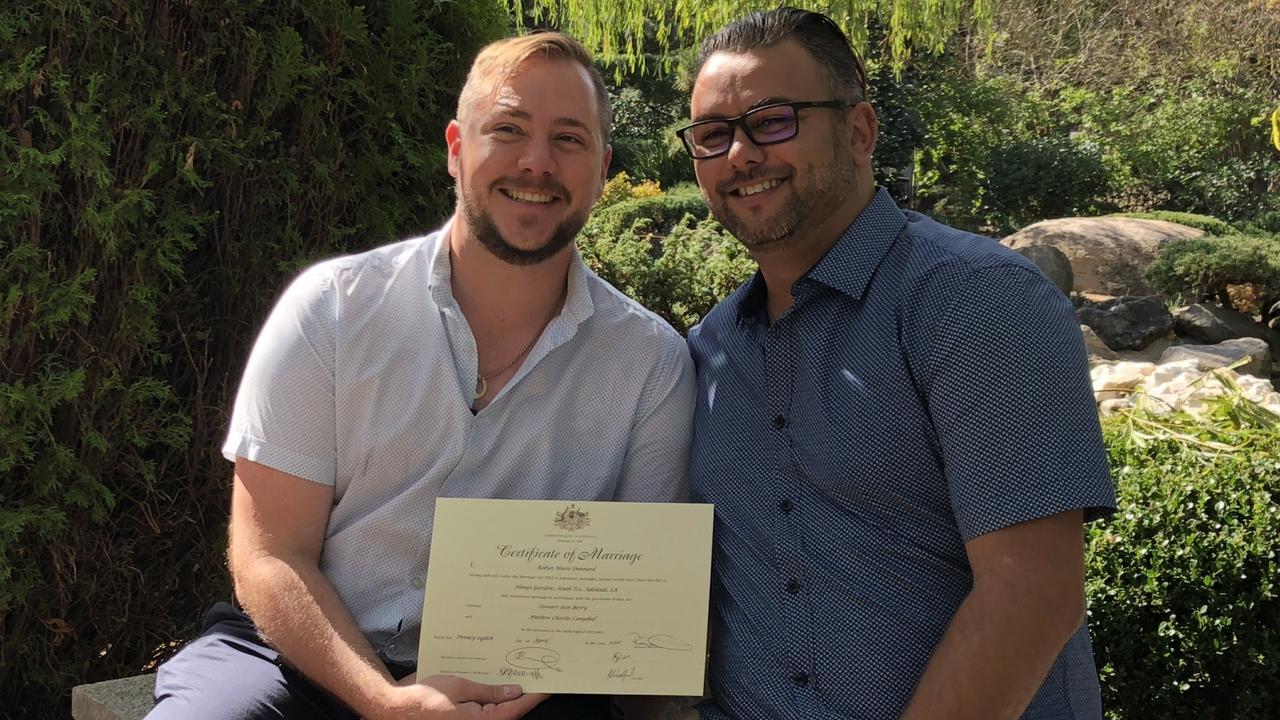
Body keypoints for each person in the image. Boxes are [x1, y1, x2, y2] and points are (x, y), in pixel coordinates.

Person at [147, 32, 695, 720]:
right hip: (302, 661)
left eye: (569, 139)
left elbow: (627, 598)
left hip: (523, 687)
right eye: (508, 129)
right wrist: (382, 701)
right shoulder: (334, 310)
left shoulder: (651, 366)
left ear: (602, 167)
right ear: (456, 149)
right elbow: (270, 554)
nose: (536, 161)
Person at [676, 8, 1116, 720]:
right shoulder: (709, 351)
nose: (739, 155)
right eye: (712, 135)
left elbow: (1032, 593)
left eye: (773, 120)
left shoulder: (976, 302)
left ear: (859, 131)